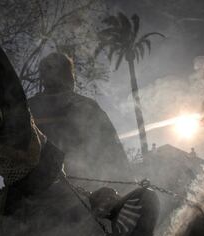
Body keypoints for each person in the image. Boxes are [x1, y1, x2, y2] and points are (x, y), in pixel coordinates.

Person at [29, 52, 131, 191]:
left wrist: (127, 186)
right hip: (35, 191)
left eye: (52, 68)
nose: (46, 73)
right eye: (45, 68)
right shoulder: (29, 107)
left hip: (80, 190)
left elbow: (111, 149)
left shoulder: (85, 106)